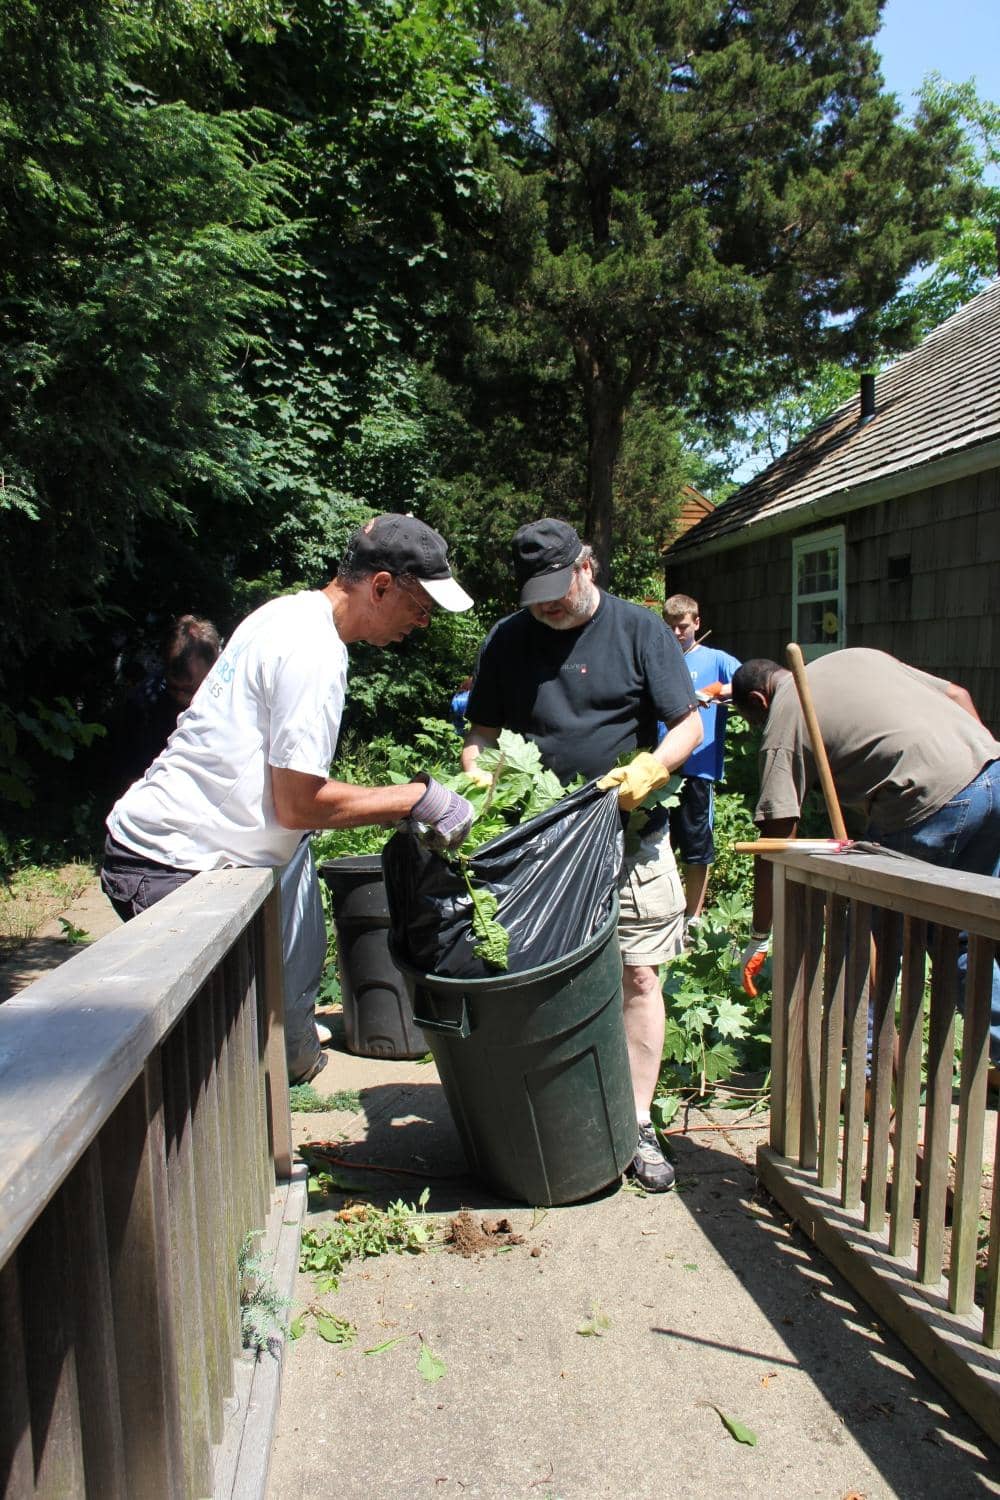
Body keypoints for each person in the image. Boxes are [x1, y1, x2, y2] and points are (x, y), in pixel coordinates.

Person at [100, 514, 476, 1079]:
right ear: (380, 586)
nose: (421, 625)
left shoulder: (287, 613)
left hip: (186, 857)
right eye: (420, 608)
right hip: (170, 865)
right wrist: (416, 798)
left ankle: (266, 1142)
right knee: (209, 1073)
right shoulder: (313, 651)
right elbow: (298, 804)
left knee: (239, 1050)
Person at [461, 518, 703, 1192]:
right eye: (533, 592)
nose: (546, 604)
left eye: (556, 588)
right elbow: (482, 729)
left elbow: (689, 722)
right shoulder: (509, 640)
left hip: (630, 836)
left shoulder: (639, 630)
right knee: (540, 983)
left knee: (640, 977)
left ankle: (635, 1123)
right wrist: (481, 775)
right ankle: (551, 1116)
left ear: (586, 566)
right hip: (539, 843)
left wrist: (651, 770)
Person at [731, 648, 1000, 1059]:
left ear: (758, 701)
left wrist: (760, 935)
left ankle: (875, 1074)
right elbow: (959, 695)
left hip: (929, 802)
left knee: (877, 936)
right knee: (982, 928)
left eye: (754, 722)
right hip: (991, 768)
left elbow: (775, 835)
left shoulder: (786, 711)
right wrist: (979, 777)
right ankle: (994, 1056)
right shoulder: (857, 656)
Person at [663, 593, 741, 932]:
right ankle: (665, 913)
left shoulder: (715, 659)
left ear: (697, 624)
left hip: (698, 768)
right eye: (671, 627)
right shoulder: (661, 659)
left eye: (683, 627)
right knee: (660, 845)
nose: (678, 633)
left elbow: (746, 682)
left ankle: (692, 918)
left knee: (696, 847)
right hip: (662, 766)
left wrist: (712, 692)